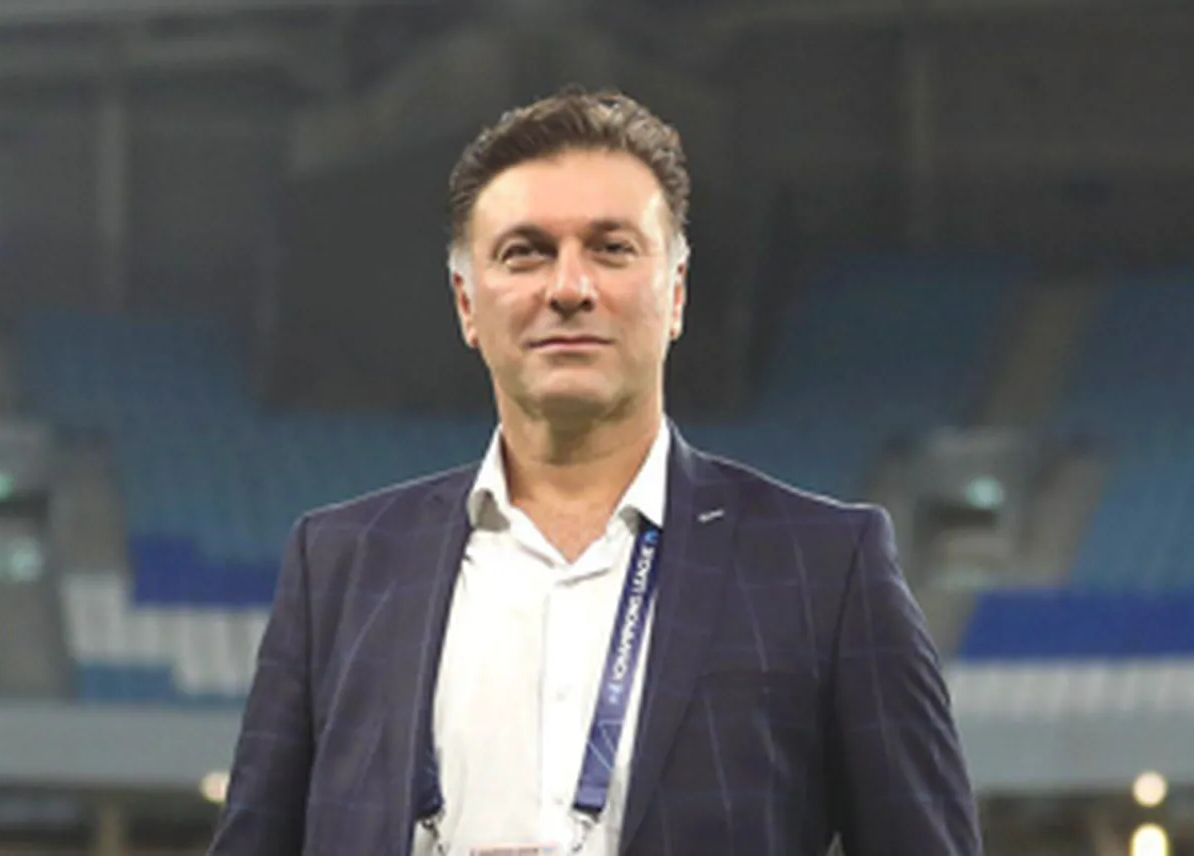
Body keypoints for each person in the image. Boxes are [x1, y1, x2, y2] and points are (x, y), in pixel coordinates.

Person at [208, 88, 981, 856]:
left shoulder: (825, 568)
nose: (568, 288)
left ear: (675, 295)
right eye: (525, 252)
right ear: (467, 304)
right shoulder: (339, 566)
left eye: (611, 249)